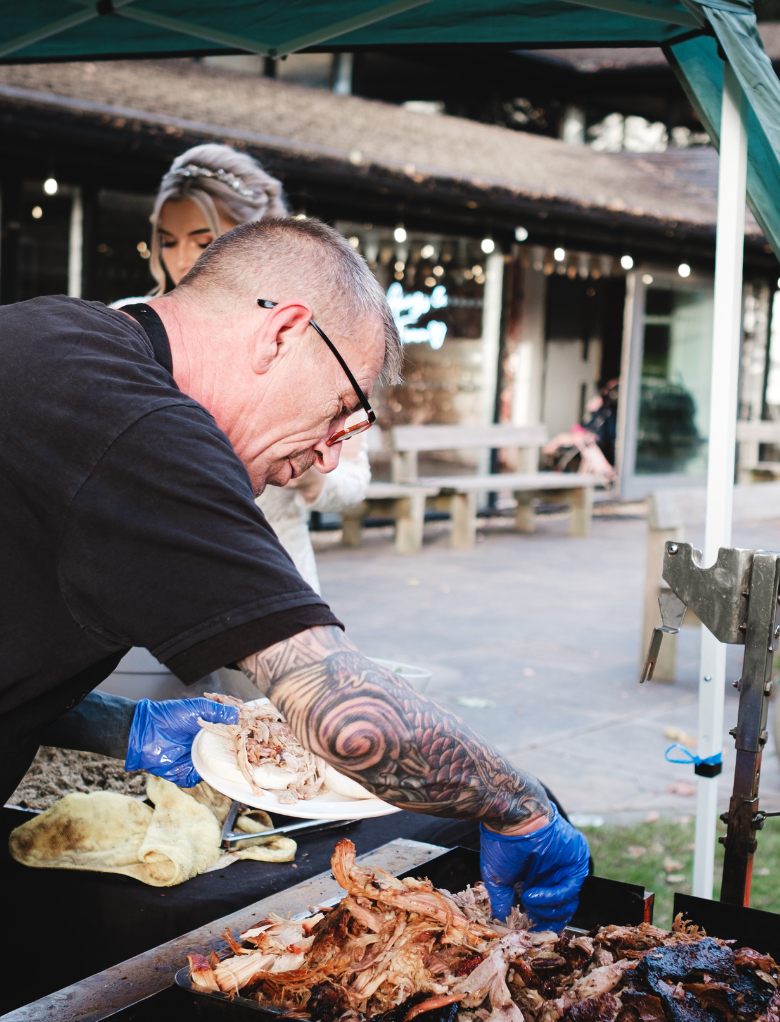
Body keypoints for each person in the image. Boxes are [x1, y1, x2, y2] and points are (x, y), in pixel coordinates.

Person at [1, 216, 589, 929]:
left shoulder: (57, 337)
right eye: (343, 410)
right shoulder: (141, 429)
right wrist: (521, 804)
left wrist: (122, 725)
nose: (329, 456)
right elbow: (342, 711)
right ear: (282, 333)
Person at [116, 143, 370, 591]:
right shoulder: (128, 326)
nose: (181, 260)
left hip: (268, 558)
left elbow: (352, 477)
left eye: (204, 240)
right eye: (168, 241)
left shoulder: (313, 337)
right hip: (148, 566)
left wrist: (305, 479)